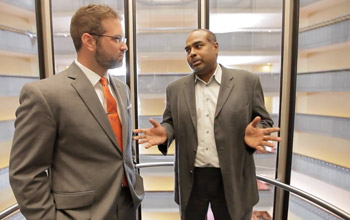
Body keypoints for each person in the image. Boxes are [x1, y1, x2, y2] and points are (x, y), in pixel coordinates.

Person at [9, 4, 144, 220]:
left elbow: (119, 151)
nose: (124, 46)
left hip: (127, 207)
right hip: (79, 214)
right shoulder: (45, 94)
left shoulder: (121, 89)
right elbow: (26, 173)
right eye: (117, 39)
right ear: (89, 41)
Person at [133, 29, 281, 220]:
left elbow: (263, 120)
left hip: (233, 176)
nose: (192, 53)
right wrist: (166, 132)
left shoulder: (247, 82)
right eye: (187, 50)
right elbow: (170, 122)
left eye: (198, 46)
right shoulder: (175, 89)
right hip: (192, 178)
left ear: (216, 47)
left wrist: (255, 133)